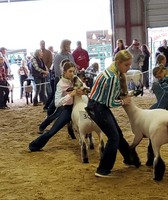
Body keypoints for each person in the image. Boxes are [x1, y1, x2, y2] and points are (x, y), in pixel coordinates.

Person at [85, 50, 140, 178]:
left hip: (96, 105)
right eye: (126, 65)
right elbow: (110, 102)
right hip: (98, 107)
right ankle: (103, 169)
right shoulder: (112, 77)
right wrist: (123, 101)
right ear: (118, 62)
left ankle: (130, 159)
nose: (129, 67)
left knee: (117, 134)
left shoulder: (111, 72)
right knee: (114, 137)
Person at [28, 62, 83, 152]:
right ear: (64, 72)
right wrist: (69, 95)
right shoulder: (60, 84)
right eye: (70, 71)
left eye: (74, 71)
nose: (73, 73)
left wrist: (83, 91)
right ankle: (34, 145)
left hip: (78, 105)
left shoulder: (76, 79)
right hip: (67, 108)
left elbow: (86, 89)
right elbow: (57, 103)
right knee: (53, 130)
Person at [47, 39, 76, 116]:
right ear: (64, 46)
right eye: (68, 45)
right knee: (56, 98)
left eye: (70, 45)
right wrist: (65, 78)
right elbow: (57, 70)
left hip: (70, 79)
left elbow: (74, 66)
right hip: (60, 79)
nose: (69, 47)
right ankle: (49, 113)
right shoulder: (58, 56)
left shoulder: (70, 55)